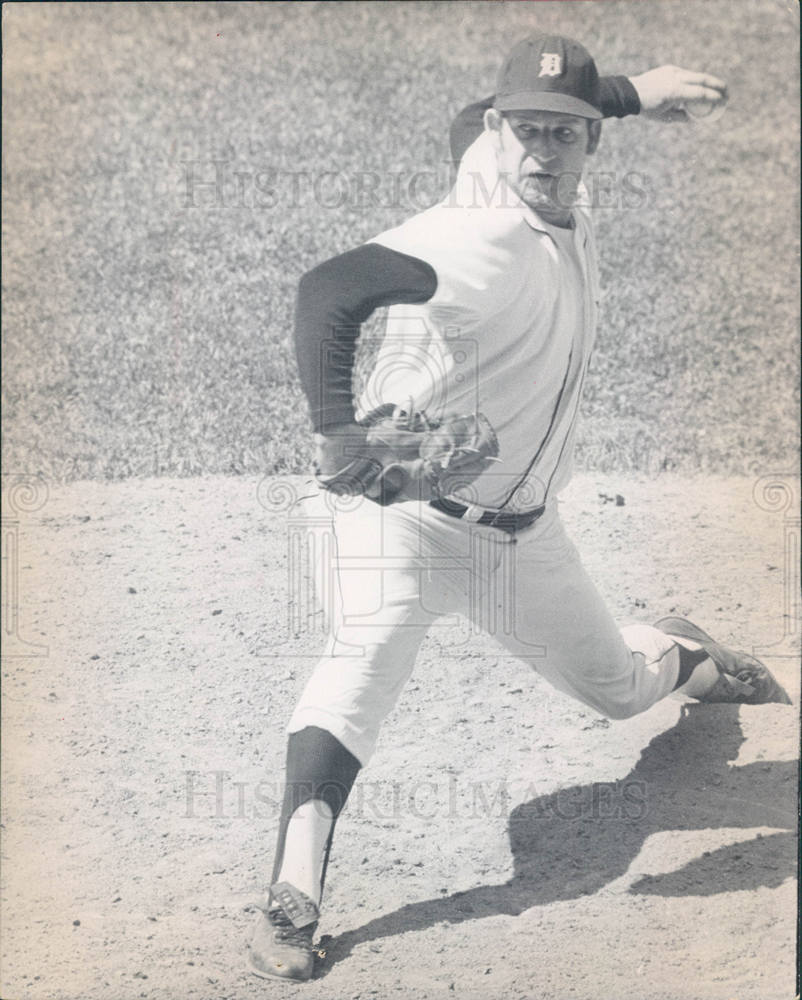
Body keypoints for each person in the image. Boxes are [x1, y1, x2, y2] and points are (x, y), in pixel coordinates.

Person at [248, 34, 789, 983]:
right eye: (527, 131)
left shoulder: (523, 175)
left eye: (569, 134)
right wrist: (338, 434)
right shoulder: (483, 234)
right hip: (405, 524)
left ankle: (689, 655)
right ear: (501, 135)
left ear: (593, 148)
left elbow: (497, 118)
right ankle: (295, 890)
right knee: (359, 669)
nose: (545, 151)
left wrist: (627, 91)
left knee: (620, 688)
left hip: (523, 542)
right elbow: (326, 291)